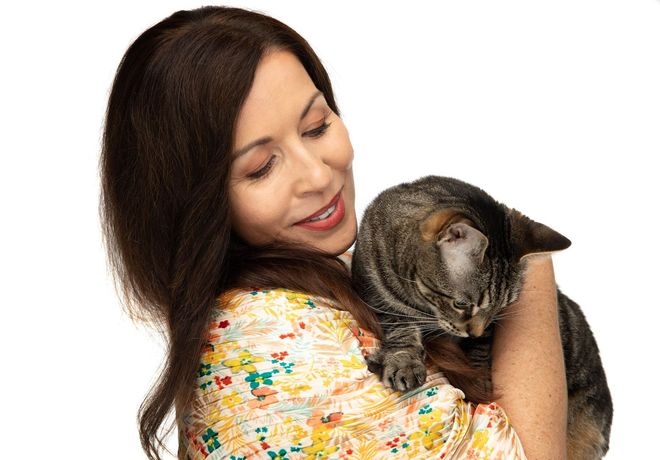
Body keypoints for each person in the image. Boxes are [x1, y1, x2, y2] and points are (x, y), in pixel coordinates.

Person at [99, 6, 567, 459]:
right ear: (196, 206)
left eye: (317, 126)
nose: (319, 177)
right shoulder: (270, 340)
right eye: (261, 168)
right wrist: (524, 269)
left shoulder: (327, 279)